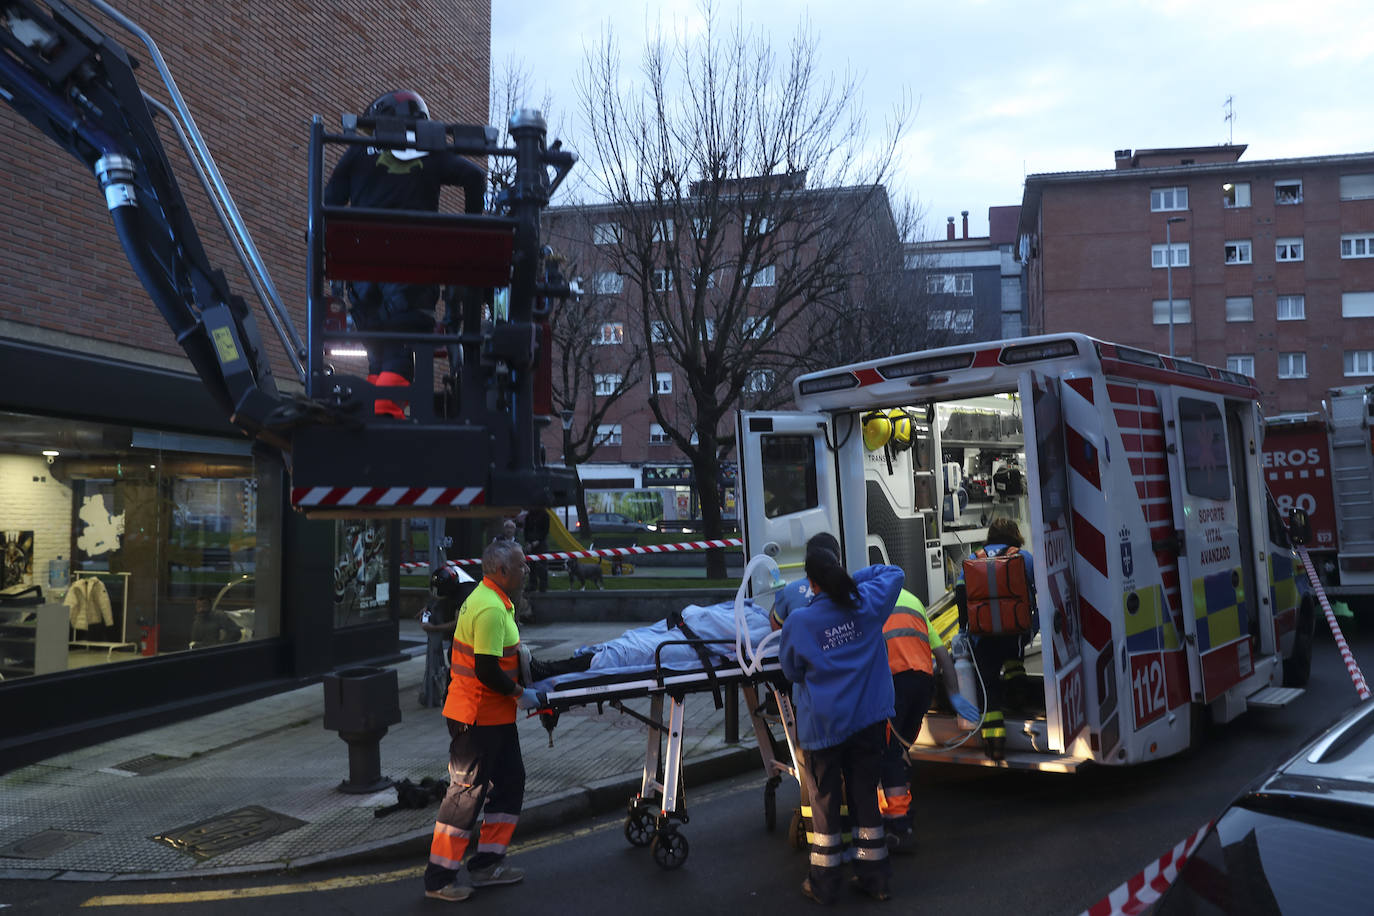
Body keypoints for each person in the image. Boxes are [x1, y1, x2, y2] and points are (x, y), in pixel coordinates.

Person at [324, 89, 486, 418]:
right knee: (400, 353)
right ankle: (383, 415)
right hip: (411, 281)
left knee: (379, 355)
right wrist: (471, 227)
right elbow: (475, 176)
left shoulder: (357, 153)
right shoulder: (430, 151)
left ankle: (374, 413)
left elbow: (329, 203)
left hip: (363, 279)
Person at [779, 542, 902, 905]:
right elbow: (894, 573)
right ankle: (875, 879)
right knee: (866, 798)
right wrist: (848, 581)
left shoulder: (800, 621)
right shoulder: (866, 604)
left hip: (825, 726)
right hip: (868, 720)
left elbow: (791, 671)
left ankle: (824, 884)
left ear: (811, 583)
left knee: (826, 805)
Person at [424, 540, 542, 902]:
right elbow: (487, 670)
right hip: (476, 719)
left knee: (509, 783)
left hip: (491, 718)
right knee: (464, 796)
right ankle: (439, 879)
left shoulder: (491, 599)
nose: (526, 571)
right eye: (521, 566)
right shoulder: (490, 608)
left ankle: (488, 864)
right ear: (502, 572)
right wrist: (520, 695)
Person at [878, 587, 977, 851]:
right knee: (899, 750)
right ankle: (899, 811)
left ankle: (898, 825)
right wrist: (954, 695)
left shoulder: (871, 600)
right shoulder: (913, 600)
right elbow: (942, 654)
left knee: (888, 753)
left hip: (893, 684)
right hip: (922, 685)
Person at [955, 516, 1036, 761]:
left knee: (987, 685)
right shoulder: (1024, 558)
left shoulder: (972, 559)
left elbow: (961, 594)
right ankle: (1019, 698)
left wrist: (964, 629)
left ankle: (995, 743)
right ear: (1015, 535)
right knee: (1014, 664)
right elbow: (1037, 589)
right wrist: (1031, 626)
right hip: (1014, 632)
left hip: (983, 635)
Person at [768, 532, 841, 632]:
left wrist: (777, 603)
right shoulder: (851, 590)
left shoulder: (789, 592)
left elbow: (777, 630)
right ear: (837, 557)